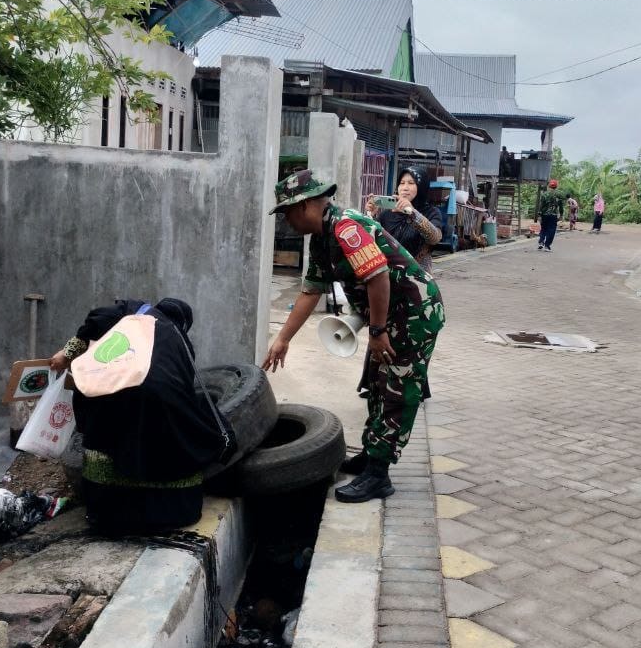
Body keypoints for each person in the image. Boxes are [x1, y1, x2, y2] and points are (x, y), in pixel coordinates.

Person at [262, 170, 445, 503]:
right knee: (376, 383)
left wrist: (376, 332)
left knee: (398, 389)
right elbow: (310, 291)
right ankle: (371, 456)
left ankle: (379, 475)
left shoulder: (346, 228)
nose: (286, 221)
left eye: (287, 212)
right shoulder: (322, 237)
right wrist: (283, 339)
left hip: (415, 315)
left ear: (305, 206)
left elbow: (378, 278)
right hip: (391, 315)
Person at [48, 297, 227, 534]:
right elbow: (184, 387)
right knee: (190, 428)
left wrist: (66, 353)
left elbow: (95, 322)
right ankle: (162, 511)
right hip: (162, 405)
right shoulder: (180, 341)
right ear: (183, 323)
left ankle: (108, 511)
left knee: (105, 432)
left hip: (108, 398)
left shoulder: (127, 312)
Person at [366, 167, 442, 272]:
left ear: (421, 187)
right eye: (402, 183)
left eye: (411, 183)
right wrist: (371, 215)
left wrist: (412, 213)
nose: (405, 188)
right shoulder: (387, 214)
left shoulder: (431, 212)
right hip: (388, 276)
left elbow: (435, 238)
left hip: (417, 278)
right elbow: (371, 239)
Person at [537, 179, 562, 251]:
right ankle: (547, 246)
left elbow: (541, 205)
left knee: (543, 228)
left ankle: (541, 242)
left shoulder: (544, 194)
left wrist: (539, 214)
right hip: (553, 215)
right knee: (551, 230)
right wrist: (561, 214)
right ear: (556, 186)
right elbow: (561, 206)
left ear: (549, 186)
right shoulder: (559, 195)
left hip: (544, 214)